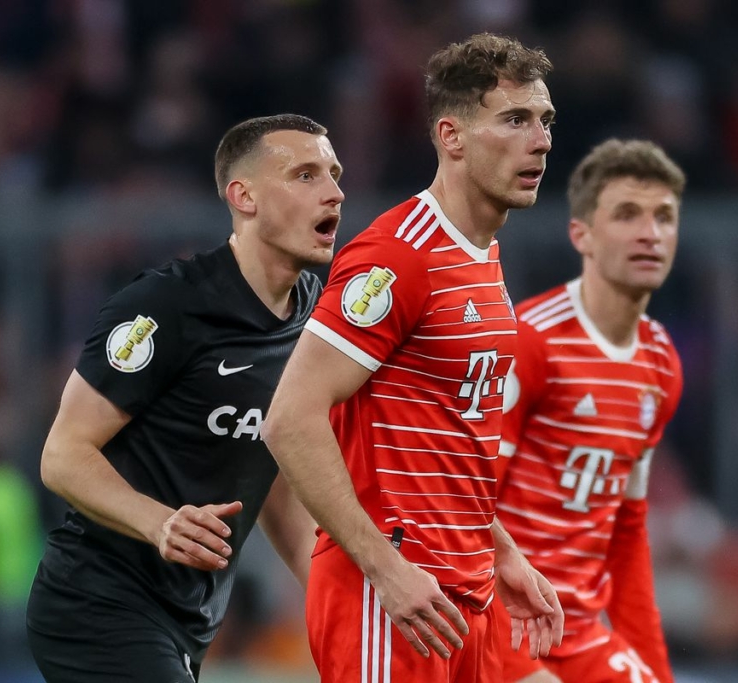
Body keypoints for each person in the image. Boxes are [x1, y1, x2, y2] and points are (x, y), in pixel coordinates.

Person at [262, 33, 564, 683]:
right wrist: (384, 568)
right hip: (394, 600)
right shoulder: (398, 257)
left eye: (544, 121)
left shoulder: (481, 254)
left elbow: (451, 439)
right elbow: (290, 417)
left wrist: (503, 551)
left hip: (465, 591)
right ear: (451, 136)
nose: (539, 139)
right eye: (514, 120)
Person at [25, 113, 344, 682]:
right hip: (97, 605)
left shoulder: (313, 318)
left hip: (191, 621)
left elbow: (273, 474)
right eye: (304, 175)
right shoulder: (166, 307)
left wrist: (337, 604)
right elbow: (63, 455)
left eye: (334, 174)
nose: (333, 192)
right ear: (243, 196)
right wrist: (159, 523)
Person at [492, 139, 686, 683]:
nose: (650, 232)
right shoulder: (532, 341)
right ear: (583, 235)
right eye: (627, 214)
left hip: (578, 635)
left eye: (664, 217)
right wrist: (512, 666)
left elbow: (626, 531)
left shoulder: (661, 363)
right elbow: (466, 504)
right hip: (497, 626)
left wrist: (656, 671)